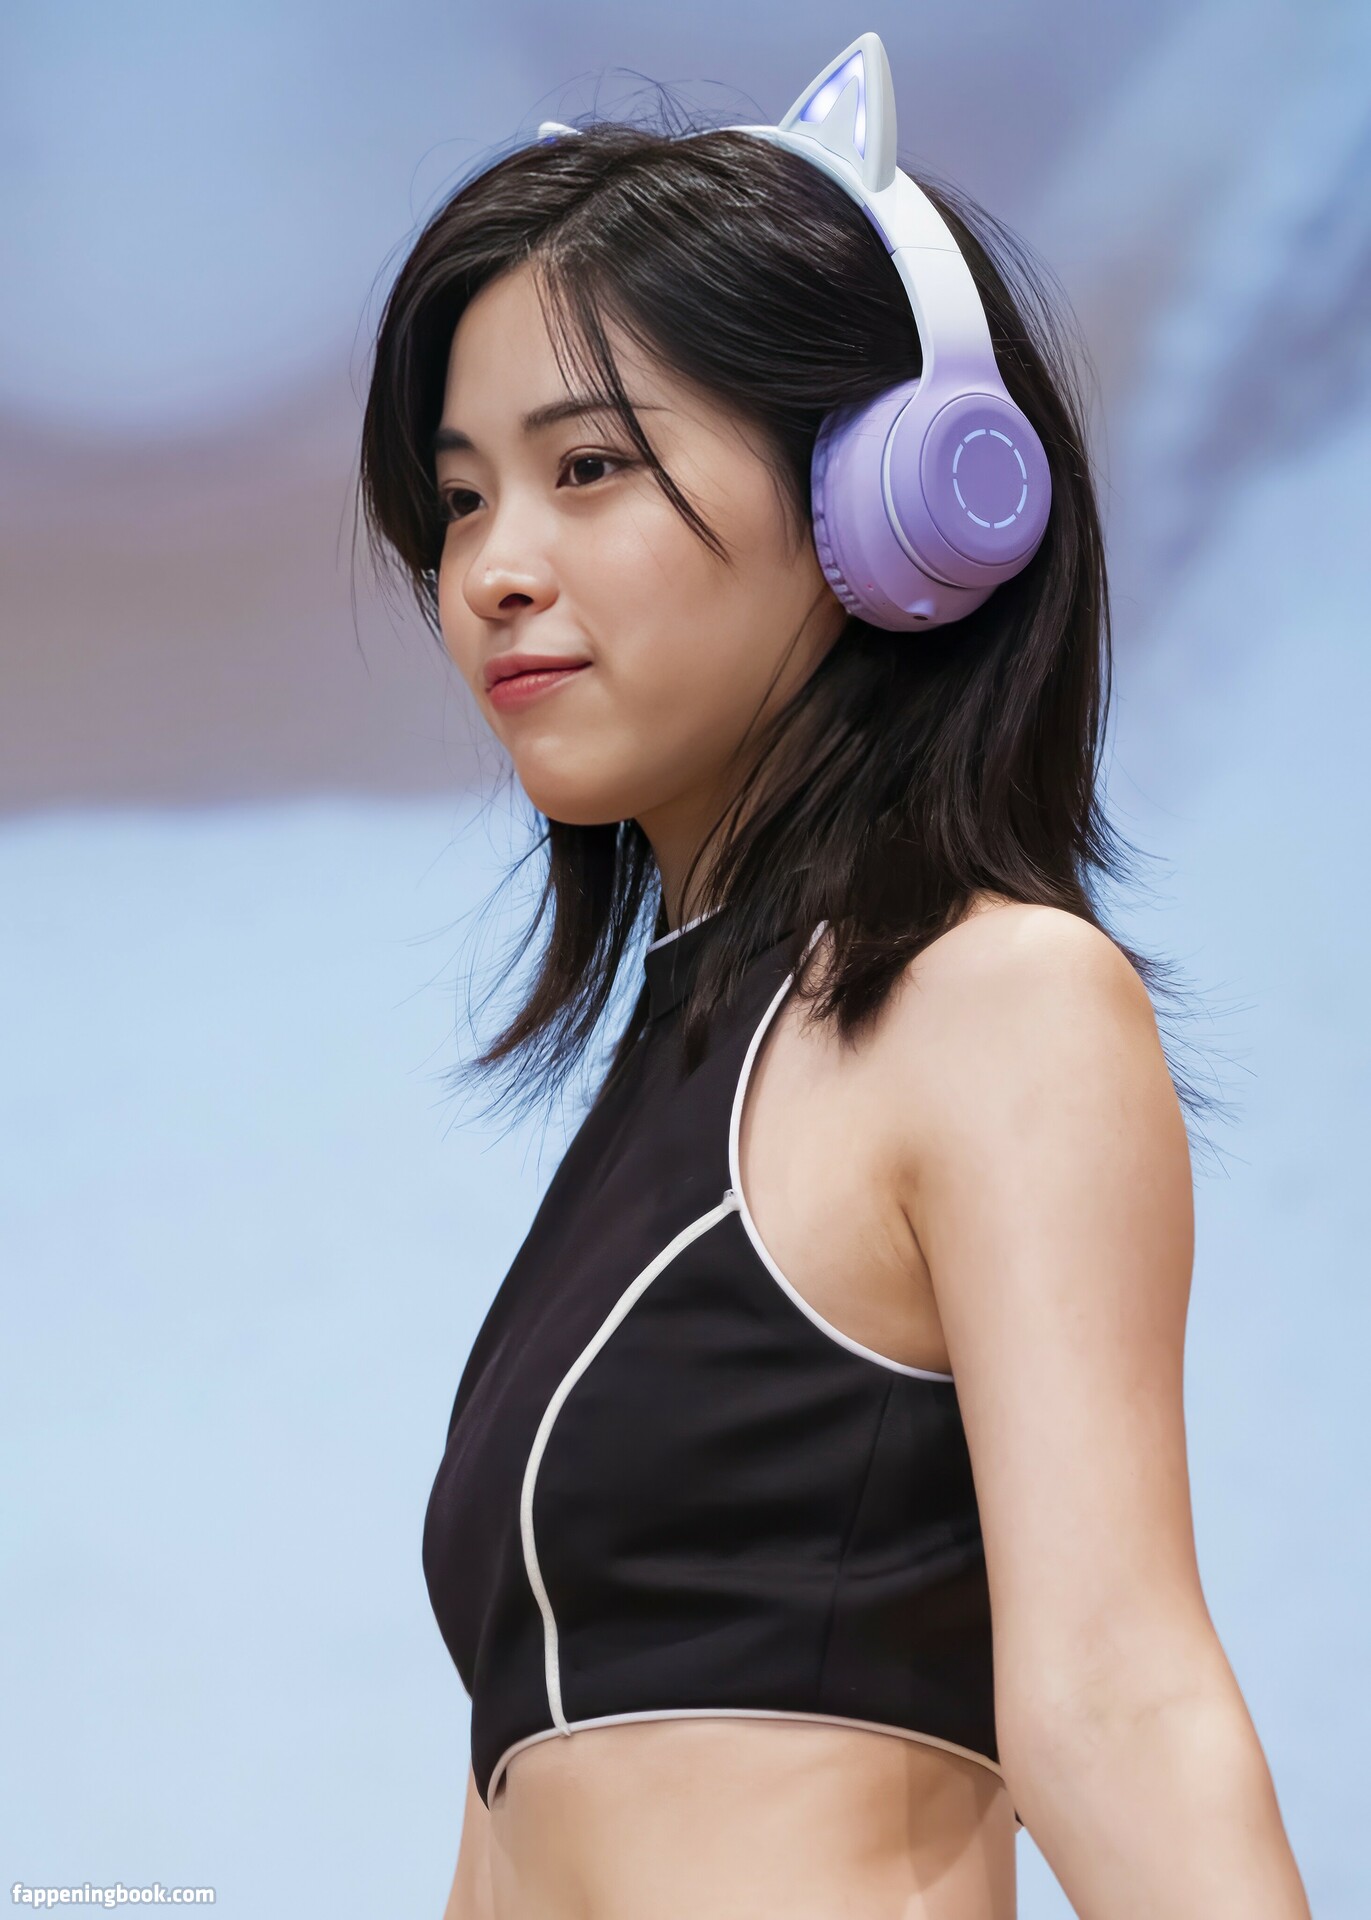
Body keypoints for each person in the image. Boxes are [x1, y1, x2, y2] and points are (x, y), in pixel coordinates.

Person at [357, 34, 1312, 1920]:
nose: (493, 569)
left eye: (590, 467)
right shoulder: (679, 1065)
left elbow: (1118, 1703)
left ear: (889, 500)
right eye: (461, 499)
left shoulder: (997, 1001)